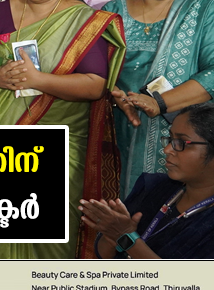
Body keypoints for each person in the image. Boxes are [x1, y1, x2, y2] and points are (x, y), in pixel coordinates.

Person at [0, 0, 126, 259]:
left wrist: (38, 80)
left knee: (51, 234)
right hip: (5, 131)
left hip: (61, 140)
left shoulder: (82, 19)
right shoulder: (2, 12)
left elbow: (95, 85)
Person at [106, 0, 213, 197]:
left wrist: (160, 103)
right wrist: (112, 94)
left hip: (178, 136)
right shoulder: (112, 11)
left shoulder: (203, 10)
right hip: (116, 125)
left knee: (164, 207)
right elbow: (94, 70)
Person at [82, 103, 214, 259]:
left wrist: (126, 238)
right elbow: (104, 255)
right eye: (170, 139)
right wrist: (112, 235)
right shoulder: (155, 186)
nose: (167, 149)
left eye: (181, 142)